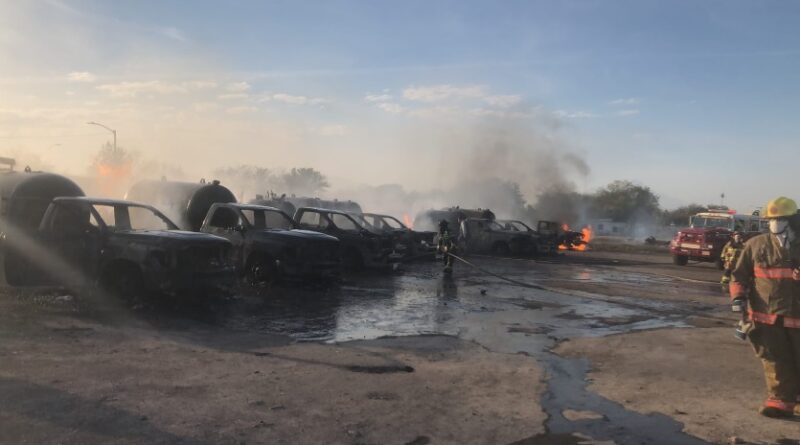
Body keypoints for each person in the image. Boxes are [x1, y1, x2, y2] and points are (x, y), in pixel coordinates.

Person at [730, 197, 800, 418]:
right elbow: (738, 275)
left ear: (793, 220)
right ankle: (780, 401)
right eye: (771, 219)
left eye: (780, 219)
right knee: (774, 359)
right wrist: (738, 298)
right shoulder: (755, 245)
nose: (775, 223)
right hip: (766, 317)